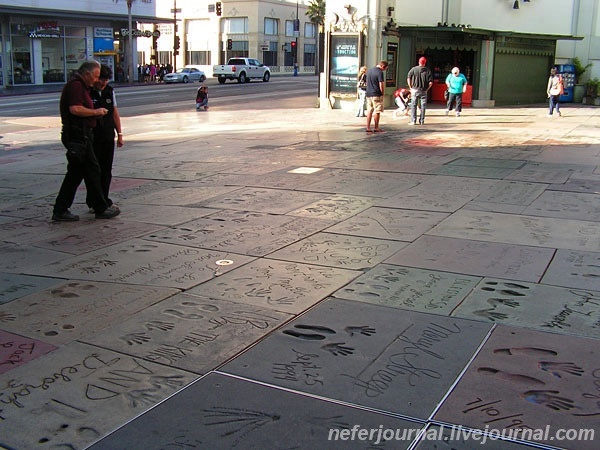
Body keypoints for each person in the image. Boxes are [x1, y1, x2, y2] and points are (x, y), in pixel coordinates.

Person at [51, 60, 120, 221]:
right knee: (93, 170)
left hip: (81, 135)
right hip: (78, 135)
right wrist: (95, 112)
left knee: (76, 173)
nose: (96, 80)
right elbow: (75, 109)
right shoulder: (76, 86)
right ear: (87, 74)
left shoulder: (81, 86)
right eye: (95, 76)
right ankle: (100, 207)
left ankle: (61, 209)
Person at [87, 64, 123, 213]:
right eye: (101, 80)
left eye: (106, 80)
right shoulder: (88, 92)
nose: (103, 83)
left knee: (106, 170)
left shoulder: (109, 91)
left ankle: (104, 199)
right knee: (94, 170)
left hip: (108, 135)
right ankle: (94, 201)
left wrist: (119, 134)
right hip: (92, 137)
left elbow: (114, 113)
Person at [407, 56, 433, 125]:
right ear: (425, 63)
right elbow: (430, 83)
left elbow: (409, 78)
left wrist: (410, 87)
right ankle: (422, 121)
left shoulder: (414, 69)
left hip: (415, 89)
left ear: (419, 62)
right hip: (424, 90)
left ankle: (413, 120)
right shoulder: (428, 71)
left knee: (413, 105)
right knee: (423, 106)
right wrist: (427, 89)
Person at [365, 60, 389, 132]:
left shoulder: (369, 71)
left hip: (368, 93)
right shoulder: (379, 72)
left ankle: (368, 127)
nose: (384, 70)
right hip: (376, 94)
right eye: (385, 68)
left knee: (369, 110)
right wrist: (382, 93)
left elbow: (366, 82)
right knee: (377, 111)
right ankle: (376, 127)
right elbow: (381, 84)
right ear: (382, 66)